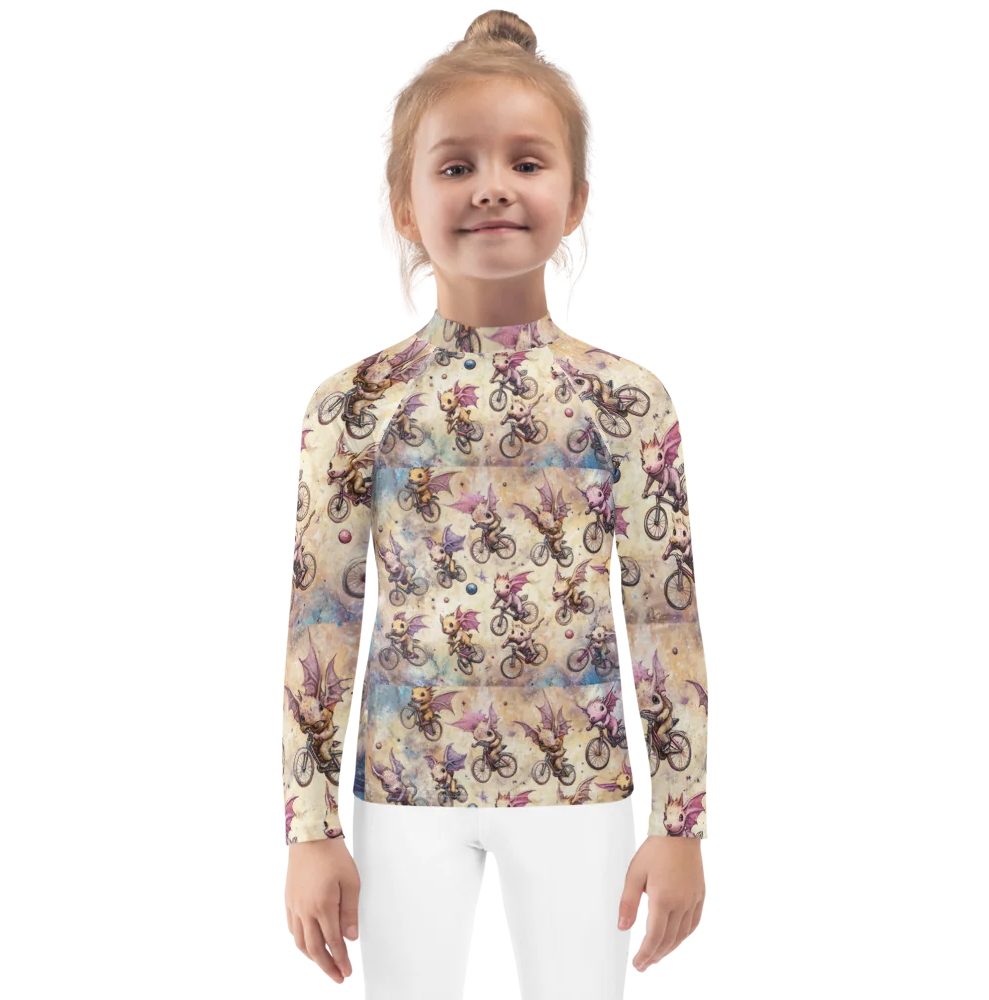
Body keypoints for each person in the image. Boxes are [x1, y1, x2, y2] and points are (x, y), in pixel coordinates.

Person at [283, 10, 707, 997]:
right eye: (455, 164)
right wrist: (311, 829)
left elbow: (664, 616)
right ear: (403, 205)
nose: (492, 186)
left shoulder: (624, 397)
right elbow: (320, 619)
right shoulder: (357, 401)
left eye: (525, 160)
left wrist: (678, 824)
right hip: (403, 791)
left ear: (577, 197)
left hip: (581, 789)